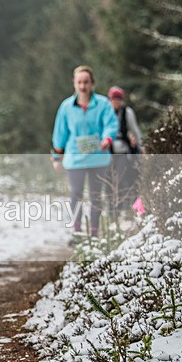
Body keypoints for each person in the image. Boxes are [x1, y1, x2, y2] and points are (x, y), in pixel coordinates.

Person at [51, 65, 119, 240]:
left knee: (96, 196)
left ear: (92, 84)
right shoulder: (66, 107)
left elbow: (111, 124)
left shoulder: (103, 104)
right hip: (74, 159)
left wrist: (107, 139)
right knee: (76, 194)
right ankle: (77, 230)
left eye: (86, 82)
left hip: (98, 158)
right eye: (79, 82)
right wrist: (57, 157)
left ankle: (94, 232)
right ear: (74, 83)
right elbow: (60, 133)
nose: (83, 86)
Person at [106, 86, 144, 212]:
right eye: (113, 99)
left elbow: (135, 130)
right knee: (108, 180)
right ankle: (111, 209)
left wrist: (142, 146)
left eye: (118, 99)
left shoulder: (127, 112)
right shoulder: (105, 112)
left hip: (122, 151)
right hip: (107, 151)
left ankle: (123, 208)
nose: (116, 102)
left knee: (122, 179)